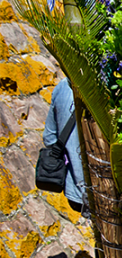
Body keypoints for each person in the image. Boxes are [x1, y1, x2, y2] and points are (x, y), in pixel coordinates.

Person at [43, 79, 84, 213]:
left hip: (76, 192)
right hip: (111, 195)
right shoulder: (113, 88)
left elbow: (49, 139)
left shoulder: (63, 87)